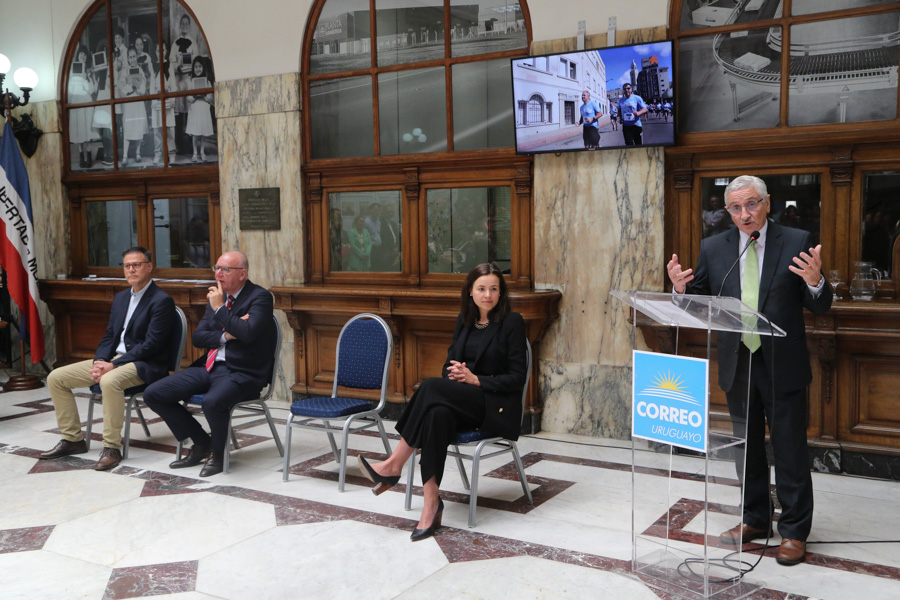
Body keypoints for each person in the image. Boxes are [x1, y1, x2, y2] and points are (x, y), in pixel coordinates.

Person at [666, 175, 832, 566]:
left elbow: (821, 305)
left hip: (782, 363)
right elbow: (700, 301)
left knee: (790, 450)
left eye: (752, 204)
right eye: (736, 208)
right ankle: (755, 519)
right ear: (727, 211)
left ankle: (793, 531)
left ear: (768, 203)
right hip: (739, 363)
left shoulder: (795, 240)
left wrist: (815, 282)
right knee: (747, 449)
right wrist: (679, 291)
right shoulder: (714, 247)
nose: (745, 214)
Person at [358, 263, 528, 541]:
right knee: (436, 413)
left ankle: (393, 465)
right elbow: (446, 368)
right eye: (482, 289)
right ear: (471, 292)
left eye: (494, 289)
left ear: (501, 293)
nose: (488, 295)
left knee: (428, 387)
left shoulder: (512, 322)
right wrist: (456, 375)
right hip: (461, 401)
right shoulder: (464, 320)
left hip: (492, 406)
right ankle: (431, 503)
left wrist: (475, 380)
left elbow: (517, 378)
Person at [39, 247, 176, 471]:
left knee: (109, 381)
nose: (131, 269)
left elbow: (152, 345)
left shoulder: (161, 301)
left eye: (137, 265)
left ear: (149, 267)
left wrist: (113, 366)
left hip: (145, 364)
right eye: (127, 266)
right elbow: (110, 335)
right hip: (113, 360)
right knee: (56, 378)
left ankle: (112, 447)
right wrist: (99, 362)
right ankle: (73, 439)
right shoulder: (121, 298)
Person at [143, 251, 276, 477]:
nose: (218, 274)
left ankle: (218, 452)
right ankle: (201, 441)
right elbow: (198, 338)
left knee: (213, 402)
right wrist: (227, 334)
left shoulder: (260, 297)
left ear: (242, 273)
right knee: (154, 393)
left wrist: (220, 310)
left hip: (244, 372)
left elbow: (249, 333)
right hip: (210, 366)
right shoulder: (218, 296)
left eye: (225, 269)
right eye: (216, 268)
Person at [117, 46, 148, 166]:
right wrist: (131, 87)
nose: (133, 59)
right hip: (130, 103)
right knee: (128, 127)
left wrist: (139, 88)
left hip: (138, 102)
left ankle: (137, 152)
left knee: (138, 128)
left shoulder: (140, 70)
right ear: (128, 59)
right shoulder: (125, 72)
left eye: (134, 56)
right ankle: (125, 155)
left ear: (137, 57)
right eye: (130, 57)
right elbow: (122, 87)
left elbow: (144, 87)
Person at [185, 57, 214, 162]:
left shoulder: (207, 81)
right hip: (195, 107)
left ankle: (202, 152)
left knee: (203, 131)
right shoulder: (190, 81)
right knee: (195, 132)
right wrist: (194, 96)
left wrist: (205, 96)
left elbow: (211, 96)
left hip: (204, 107)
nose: (198, 69)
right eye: (196, 67)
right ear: (193, 68)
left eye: (200, 66)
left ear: (203, 67)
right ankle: (195, 152)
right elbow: (187, 96)